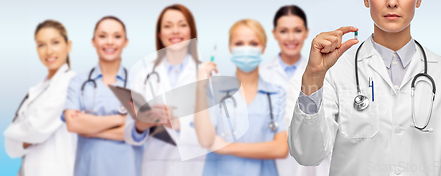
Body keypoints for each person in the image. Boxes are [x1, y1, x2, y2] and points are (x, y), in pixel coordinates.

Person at [289, 0, 441, 175]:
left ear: (418, 0)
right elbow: (308, 155)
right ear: (366, 0)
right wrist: (313, 77)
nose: (392, 2)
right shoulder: (336, 71)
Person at [194, 19, 288, 176]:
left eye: (253, 43)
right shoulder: (213, 91)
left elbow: (281, 148)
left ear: (263, 48)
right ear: (230, 48)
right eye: (239, 43)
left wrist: (226, 147)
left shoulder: (277, 94)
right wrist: (199, 88)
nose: (246, 49)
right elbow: (206, 140)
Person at [123, 4, 206, 176]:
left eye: (182, 25)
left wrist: (175, 123)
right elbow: (130, 136)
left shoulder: (206, 74)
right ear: (160, 34)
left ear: (191, 31)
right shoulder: (143, 76)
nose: (175, 31)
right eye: (168, 26)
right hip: (155, 168)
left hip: (193, 168)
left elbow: (215, 131)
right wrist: (140, 125)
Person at [63, 16, 142, 176]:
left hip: (128, 169)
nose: (110, 42)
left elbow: (140, 132)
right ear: (93, 42)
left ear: (125, 42)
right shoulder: (78, 82)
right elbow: (73, 125)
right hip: (89, 168)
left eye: (117, 36)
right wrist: (121, 120)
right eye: (103, 36)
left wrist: (89, 128)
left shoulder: (139, 82)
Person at [259, 5, 331, 176]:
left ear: (306, 33)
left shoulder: (324, 73)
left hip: (312, 166)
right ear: (274, 33)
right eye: (284, 31)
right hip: (270, 164)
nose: (291, 37)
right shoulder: (260, 75)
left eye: (297, 30)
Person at [3, 20, 77, 176]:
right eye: (41, 45)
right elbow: (10, 149)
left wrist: (11, 133)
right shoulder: (36, 91)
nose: (48, 51)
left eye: (55, 42)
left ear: (68, 45)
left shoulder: (70, 83)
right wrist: (21, 136)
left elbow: (36, 129)